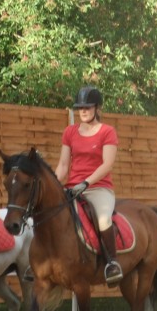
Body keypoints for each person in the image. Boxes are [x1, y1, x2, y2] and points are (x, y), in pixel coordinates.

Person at [55, 86, 123, 287]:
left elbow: (107, 164)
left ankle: (112, 263)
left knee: (103, 220)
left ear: (97, 108)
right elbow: (63, 165)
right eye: (80, 107)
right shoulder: (70, 132)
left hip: (98, 188)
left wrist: (86, 183)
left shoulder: (107, 132)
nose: (83, 111)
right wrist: (54, 182)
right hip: (72, 188)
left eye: (87, 107)